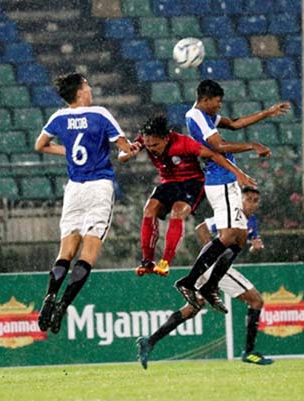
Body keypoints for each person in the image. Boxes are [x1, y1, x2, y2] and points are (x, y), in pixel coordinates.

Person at [34, 73, 140, 334]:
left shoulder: (58, 118)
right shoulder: (99, 114)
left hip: (74, 189)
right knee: (88, 253)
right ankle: (64, 305)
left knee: (65, 252)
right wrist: (132, 151)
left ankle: (49, 297)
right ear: (81, 92)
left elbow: (40, 145)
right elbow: (124, 150)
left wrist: (68, 151)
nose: (90, 89)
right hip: (99, 187)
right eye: (87, 86)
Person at [174, 79, 289, 313]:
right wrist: (252, 146)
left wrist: (268, 112)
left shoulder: (206, 117)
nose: (219, 106)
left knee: (239, 237)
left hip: (226, 180)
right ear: (205, 100)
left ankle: (210, 285)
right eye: (217, 102)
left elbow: (235, 124)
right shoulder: (196, 116)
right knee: (228, 236)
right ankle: (190, 281)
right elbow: (220, 145)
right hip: (220, 181)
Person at [136, 187, 274, 369]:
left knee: (193, 308)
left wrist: (254, 248)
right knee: (256, 301)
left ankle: (150, 341)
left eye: (256, 200)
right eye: (248, 199)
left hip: (215, 266)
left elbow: (243, 247)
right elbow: (201, 228)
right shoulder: (231, 214)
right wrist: (213, 254)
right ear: (239, 199)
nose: (252, 203)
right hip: (216, 266)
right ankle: (249, 352)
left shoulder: (252, 221)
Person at [118, 115, 256, 277]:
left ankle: (165, 261)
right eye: (147, 145)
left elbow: (214, 155)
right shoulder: (145, 140)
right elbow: (122, 157)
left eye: (155, 145)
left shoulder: (184, 143)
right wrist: (128, 153)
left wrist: (238, 173)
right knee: (149, 209)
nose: (151, 149)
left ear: (166, 137)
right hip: (169, 182)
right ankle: (147, 261)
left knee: (178, 212)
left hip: (192, 183)